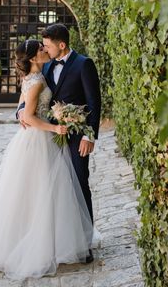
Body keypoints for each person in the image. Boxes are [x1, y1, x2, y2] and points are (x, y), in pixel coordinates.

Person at [0, 39, 94, 279]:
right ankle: (34, 242)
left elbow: (22, 108)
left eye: (46, 47)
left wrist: (27, 113)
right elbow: (29, 115)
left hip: (39, 139)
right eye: (41, 49)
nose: (45, 51)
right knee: (38, 190)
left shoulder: (38, 75)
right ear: (33, 58)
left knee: (43, 192)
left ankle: (49, 238)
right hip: (38, 139)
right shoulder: (37, 80)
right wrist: (55, 129)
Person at [18, 23, 102, 261]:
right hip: (49, 138)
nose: (44, 49)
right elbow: (28, 96)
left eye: (47, 45)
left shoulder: (84, 64)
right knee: (55, 190)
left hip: (76, 136)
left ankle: (84, 242)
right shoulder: (44, 66)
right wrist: (20, 113)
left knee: (79, 183)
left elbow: (94, 103)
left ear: (61, 45)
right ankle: (59, 240)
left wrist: (89, 135)